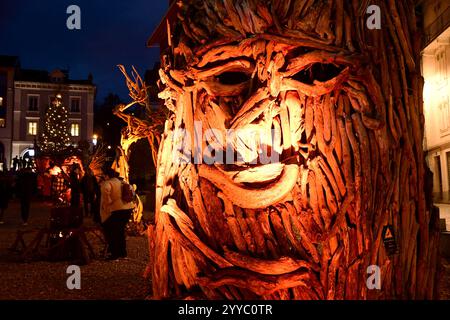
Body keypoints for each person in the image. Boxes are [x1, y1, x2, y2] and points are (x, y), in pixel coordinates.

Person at [100, 168, 134, 260]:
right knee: (120, 231)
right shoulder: (122, 181)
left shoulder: (107, 183)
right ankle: (122, 253)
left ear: (107, 175)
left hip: (117, 209)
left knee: (112, 232)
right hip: (128, 208)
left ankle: (114, 254)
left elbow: (106, 197)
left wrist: (108, 204)